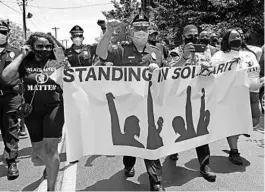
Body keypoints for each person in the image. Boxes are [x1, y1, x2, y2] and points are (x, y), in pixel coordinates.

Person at [96, 13, 165, 191]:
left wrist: (159, 71)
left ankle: (156, 181)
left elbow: (168, 76)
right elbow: (101, 53)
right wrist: (109, 32)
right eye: (138, 27)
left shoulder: (157, 51)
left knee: (151, 141)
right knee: (131, 140)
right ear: (131, 31)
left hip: (150, 105)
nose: (141, 31)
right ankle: (128, 164)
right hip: (128, 106)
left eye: (144, 27)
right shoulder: (121, 50)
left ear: (149, 30)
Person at [2, 32, 65, 191]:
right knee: (38, 149)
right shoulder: (25, 63)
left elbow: (72, 75)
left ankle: (51, 188)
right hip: (32, 111)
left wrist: (64, 63)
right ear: (32, 47)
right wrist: (22, 55)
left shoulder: (56, 61)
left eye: (47, 46)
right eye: (40, 46)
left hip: (54, 108)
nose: (44, 49)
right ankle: (51, 165)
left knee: (51, 149)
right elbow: (6, 77)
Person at [167, 24, 216, 182]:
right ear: (183, 36)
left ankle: (204, 165)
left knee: (201, 130)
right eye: (190, 36)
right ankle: (172, 150)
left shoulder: (206, 51)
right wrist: (184, 58)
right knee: (176, 127)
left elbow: (214, 69)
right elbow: (169, 72)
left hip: (199, 97)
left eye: (196, 36)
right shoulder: (175, 51)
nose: (193, 38)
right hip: (179, 97)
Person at [211, 29, 261, 165]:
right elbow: (213, 72)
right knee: (235, 124)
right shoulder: (220, 55)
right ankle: (234, 151)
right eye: (232, 37)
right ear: (226, 40)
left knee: (255, 120)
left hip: (254, 95)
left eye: (238, 36)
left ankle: (240, 132)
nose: (236, 38)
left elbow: (258, 65)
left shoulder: (250, 53)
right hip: (235, 96)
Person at [0, 19, 22, 180]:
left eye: (3, 32)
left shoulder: (16, 52)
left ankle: (12, 161)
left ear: (8, 34)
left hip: (10, 96)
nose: (0, 35)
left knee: (10, 129)